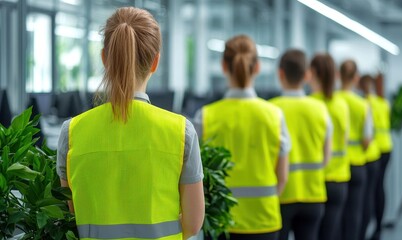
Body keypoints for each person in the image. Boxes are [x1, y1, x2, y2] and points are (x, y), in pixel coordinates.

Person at [56, 7, 204, 240]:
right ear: (155, 62)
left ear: (105, 58)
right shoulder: (181, 131)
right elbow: (193, 223)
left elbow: (73, 211)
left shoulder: (71, 132)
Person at [193, 35, 290, 240]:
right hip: (264, 220)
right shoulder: (274, 115)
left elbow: (196, 179)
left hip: (220, 223)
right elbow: (282, 178)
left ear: (223, 66)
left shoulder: (206, 116)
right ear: (257, 67)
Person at [270, 49, 331, 240]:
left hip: (281, 196)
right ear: (307, 75)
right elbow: (326, 159)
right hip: (313, 195)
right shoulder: (321, 109)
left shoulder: (271, 109)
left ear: (280, 74)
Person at [309, 54, 350, 240]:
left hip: (316, 181)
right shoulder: (341, 105)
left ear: (312, 73)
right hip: (339, 178)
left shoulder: (310, 104)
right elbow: (346, 138)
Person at [336, 60, 373, 240]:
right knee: (354, 213)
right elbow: (367, 140)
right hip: (357, 164)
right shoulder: (362, 104)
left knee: (336, 216)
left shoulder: (332, 101)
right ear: (356, 78)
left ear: (338, 75)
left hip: (335, 168)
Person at [358, 74, 382, 240]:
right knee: (377, 189)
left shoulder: (364, 104)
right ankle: (378, 226)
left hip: (367, 153)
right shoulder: (383, 103)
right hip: (383, 149)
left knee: (366, 196)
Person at [371, 73, 394, 240]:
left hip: (375, 150)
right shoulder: (385, 103)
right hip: (387, 147)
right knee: (380, 187)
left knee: (373, 190)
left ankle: (375, 226)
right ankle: (378, 225)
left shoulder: (368, 103)